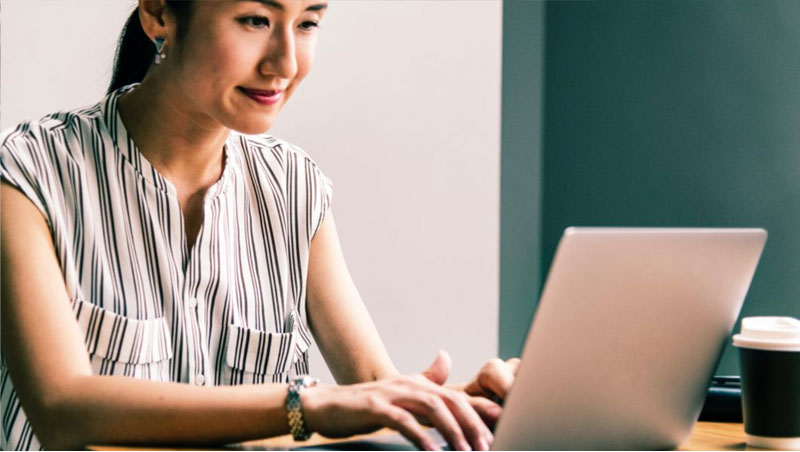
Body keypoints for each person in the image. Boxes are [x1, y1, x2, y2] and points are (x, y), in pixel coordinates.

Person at [0, 1, 518, 450]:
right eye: (255, 19)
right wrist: (305, 406)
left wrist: (459, 404)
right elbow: (62, 406)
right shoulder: (28, 174)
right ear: (159, 12)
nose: (286, 63)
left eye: (308, 23)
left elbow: (375, 388)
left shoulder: (296, 187)